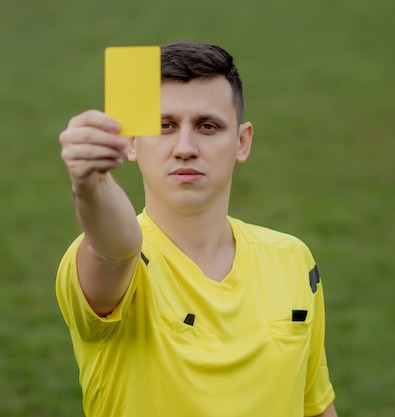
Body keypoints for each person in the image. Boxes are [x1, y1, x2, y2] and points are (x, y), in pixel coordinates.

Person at [56, 40, 338, 417]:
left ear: (242, 142)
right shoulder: (116, 265)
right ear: (131, 142)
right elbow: (117, 248)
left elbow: (314, 407)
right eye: (164, 126)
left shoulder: (292, 257)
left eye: (207, 126)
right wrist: (90, 184)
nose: (185, 147)